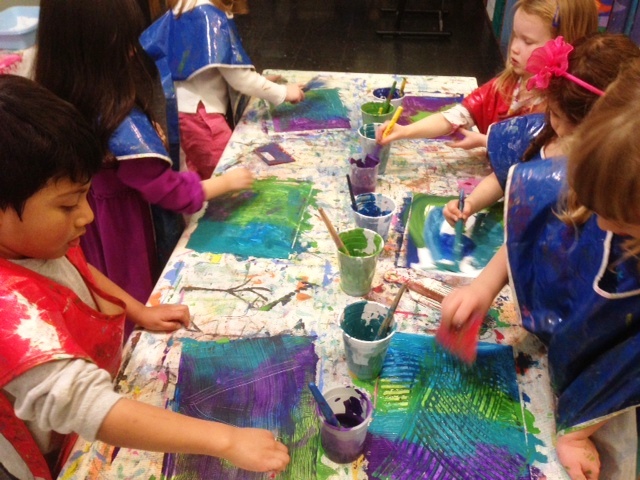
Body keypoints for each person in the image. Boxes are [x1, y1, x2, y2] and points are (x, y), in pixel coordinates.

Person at [0, 74, 289, 480]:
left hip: (95, 396)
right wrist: (226, 440)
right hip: (52, 440)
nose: (87, 215)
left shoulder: (37, 242)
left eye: (85, 195)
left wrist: (140, 311)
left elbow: (84, 271)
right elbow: (85, 406)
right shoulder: (7, 308)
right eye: (67, 206)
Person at [440, 58, 640, 480]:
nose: (600, 224)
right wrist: (484, 286)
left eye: (617, 222)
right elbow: (537, 225)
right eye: (593, 208)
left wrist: (579, 433)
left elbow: (627, 368)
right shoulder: (602, 177)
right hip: (560, 353)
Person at [34, 0, 255, 334]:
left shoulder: (60, 92)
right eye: (125, 42)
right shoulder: (120, 122)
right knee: (136, 291)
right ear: (99, 48)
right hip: (123, 231)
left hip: (94, 222)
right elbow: (168, 190)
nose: (135, 52)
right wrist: (225, 183)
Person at [442, 33, 640, 226]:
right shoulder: (539, 133)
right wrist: (470, 204)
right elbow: (505, 176)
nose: (560, 129)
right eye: (554, 114)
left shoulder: (606, 180)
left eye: (575, 128)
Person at [376, 0, 598, 151]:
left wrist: (485, 142)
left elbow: (544, 159)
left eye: (528, 41)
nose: (515, 48)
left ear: (564, 44)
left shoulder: (565, 111)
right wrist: (404, 131)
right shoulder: (508, 85)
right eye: (515, 35)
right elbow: (455, 116)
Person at [140, 0, 306, 180]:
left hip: (187, 111)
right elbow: (240, 79)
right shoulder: (209, 14)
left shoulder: (185, 6)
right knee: (229, 173)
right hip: (203, 118)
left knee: (198, 173)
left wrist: (260, 81)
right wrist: (284, 92)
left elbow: (214, 68)